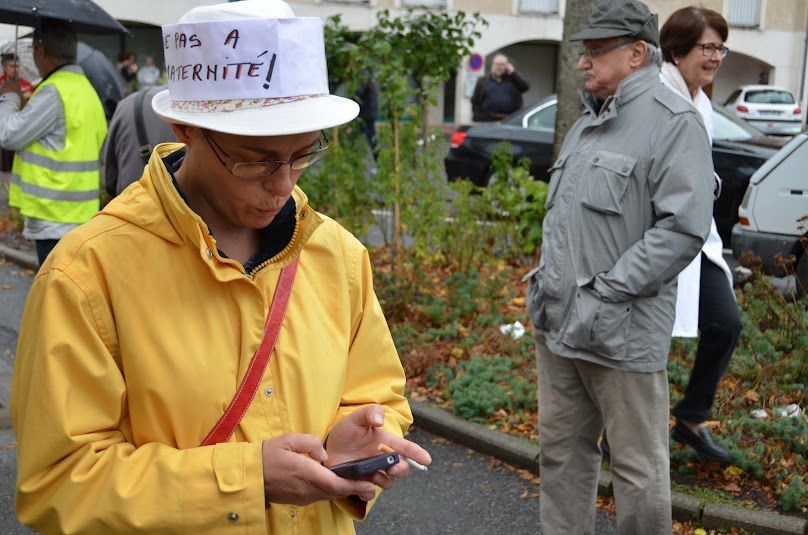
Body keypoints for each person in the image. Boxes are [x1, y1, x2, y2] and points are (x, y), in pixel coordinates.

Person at [11, 1, 430, 533]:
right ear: (184, 127)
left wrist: (362, 439)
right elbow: (57, 484)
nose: (283, 184)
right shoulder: (87, 273)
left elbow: (377, 393)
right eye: (253, 159)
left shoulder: (337, 256)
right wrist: (244, 479)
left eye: (303, 153)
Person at [524, 0, 714, 532]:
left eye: (596, 51)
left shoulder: (674, 124)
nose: (583, 62)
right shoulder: (587, 123)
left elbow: (683, 228)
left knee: (637, 467)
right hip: (560, 323)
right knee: (562, 454)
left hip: (621, 329)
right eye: (583, 51)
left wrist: (606, 291)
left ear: (636, 54)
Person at [661, 6, 740, 464]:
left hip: (697, 237)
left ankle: (691, 417)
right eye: (707, 47)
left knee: (725, 322)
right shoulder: (658, 95)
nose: (716, 57)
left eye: (720, 48)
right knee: (649, 338)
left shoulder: (701, 100)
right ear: (677, 49)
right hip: (660, 237)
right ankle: (617, 430)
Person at [0, 19, 107, 265]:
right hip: (78, 213)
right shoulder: (85, 90)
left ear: (41, 51)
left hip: (54, 217)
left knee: (52, 298)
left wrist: (10, 97)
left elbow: (8, 135)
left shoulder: (53, 91)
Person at [102, 84, 175, 197]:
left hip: (129, 205)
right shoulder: (198, 109)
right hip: (181, 208)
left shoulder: (126, 105)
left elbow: (110, 179)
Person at [471, 53, 529, 121]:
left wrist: (513, 73)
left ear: (507, 66)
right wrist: (478, 117)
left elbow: (525, 87)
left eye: (502, 64)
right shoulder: (482, 81)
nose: (499, 67)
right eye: (497, 64)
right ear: (492, 65)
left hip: (510, 120)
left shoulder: (513, 80)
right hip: (487, 121)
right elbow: (475, 101)